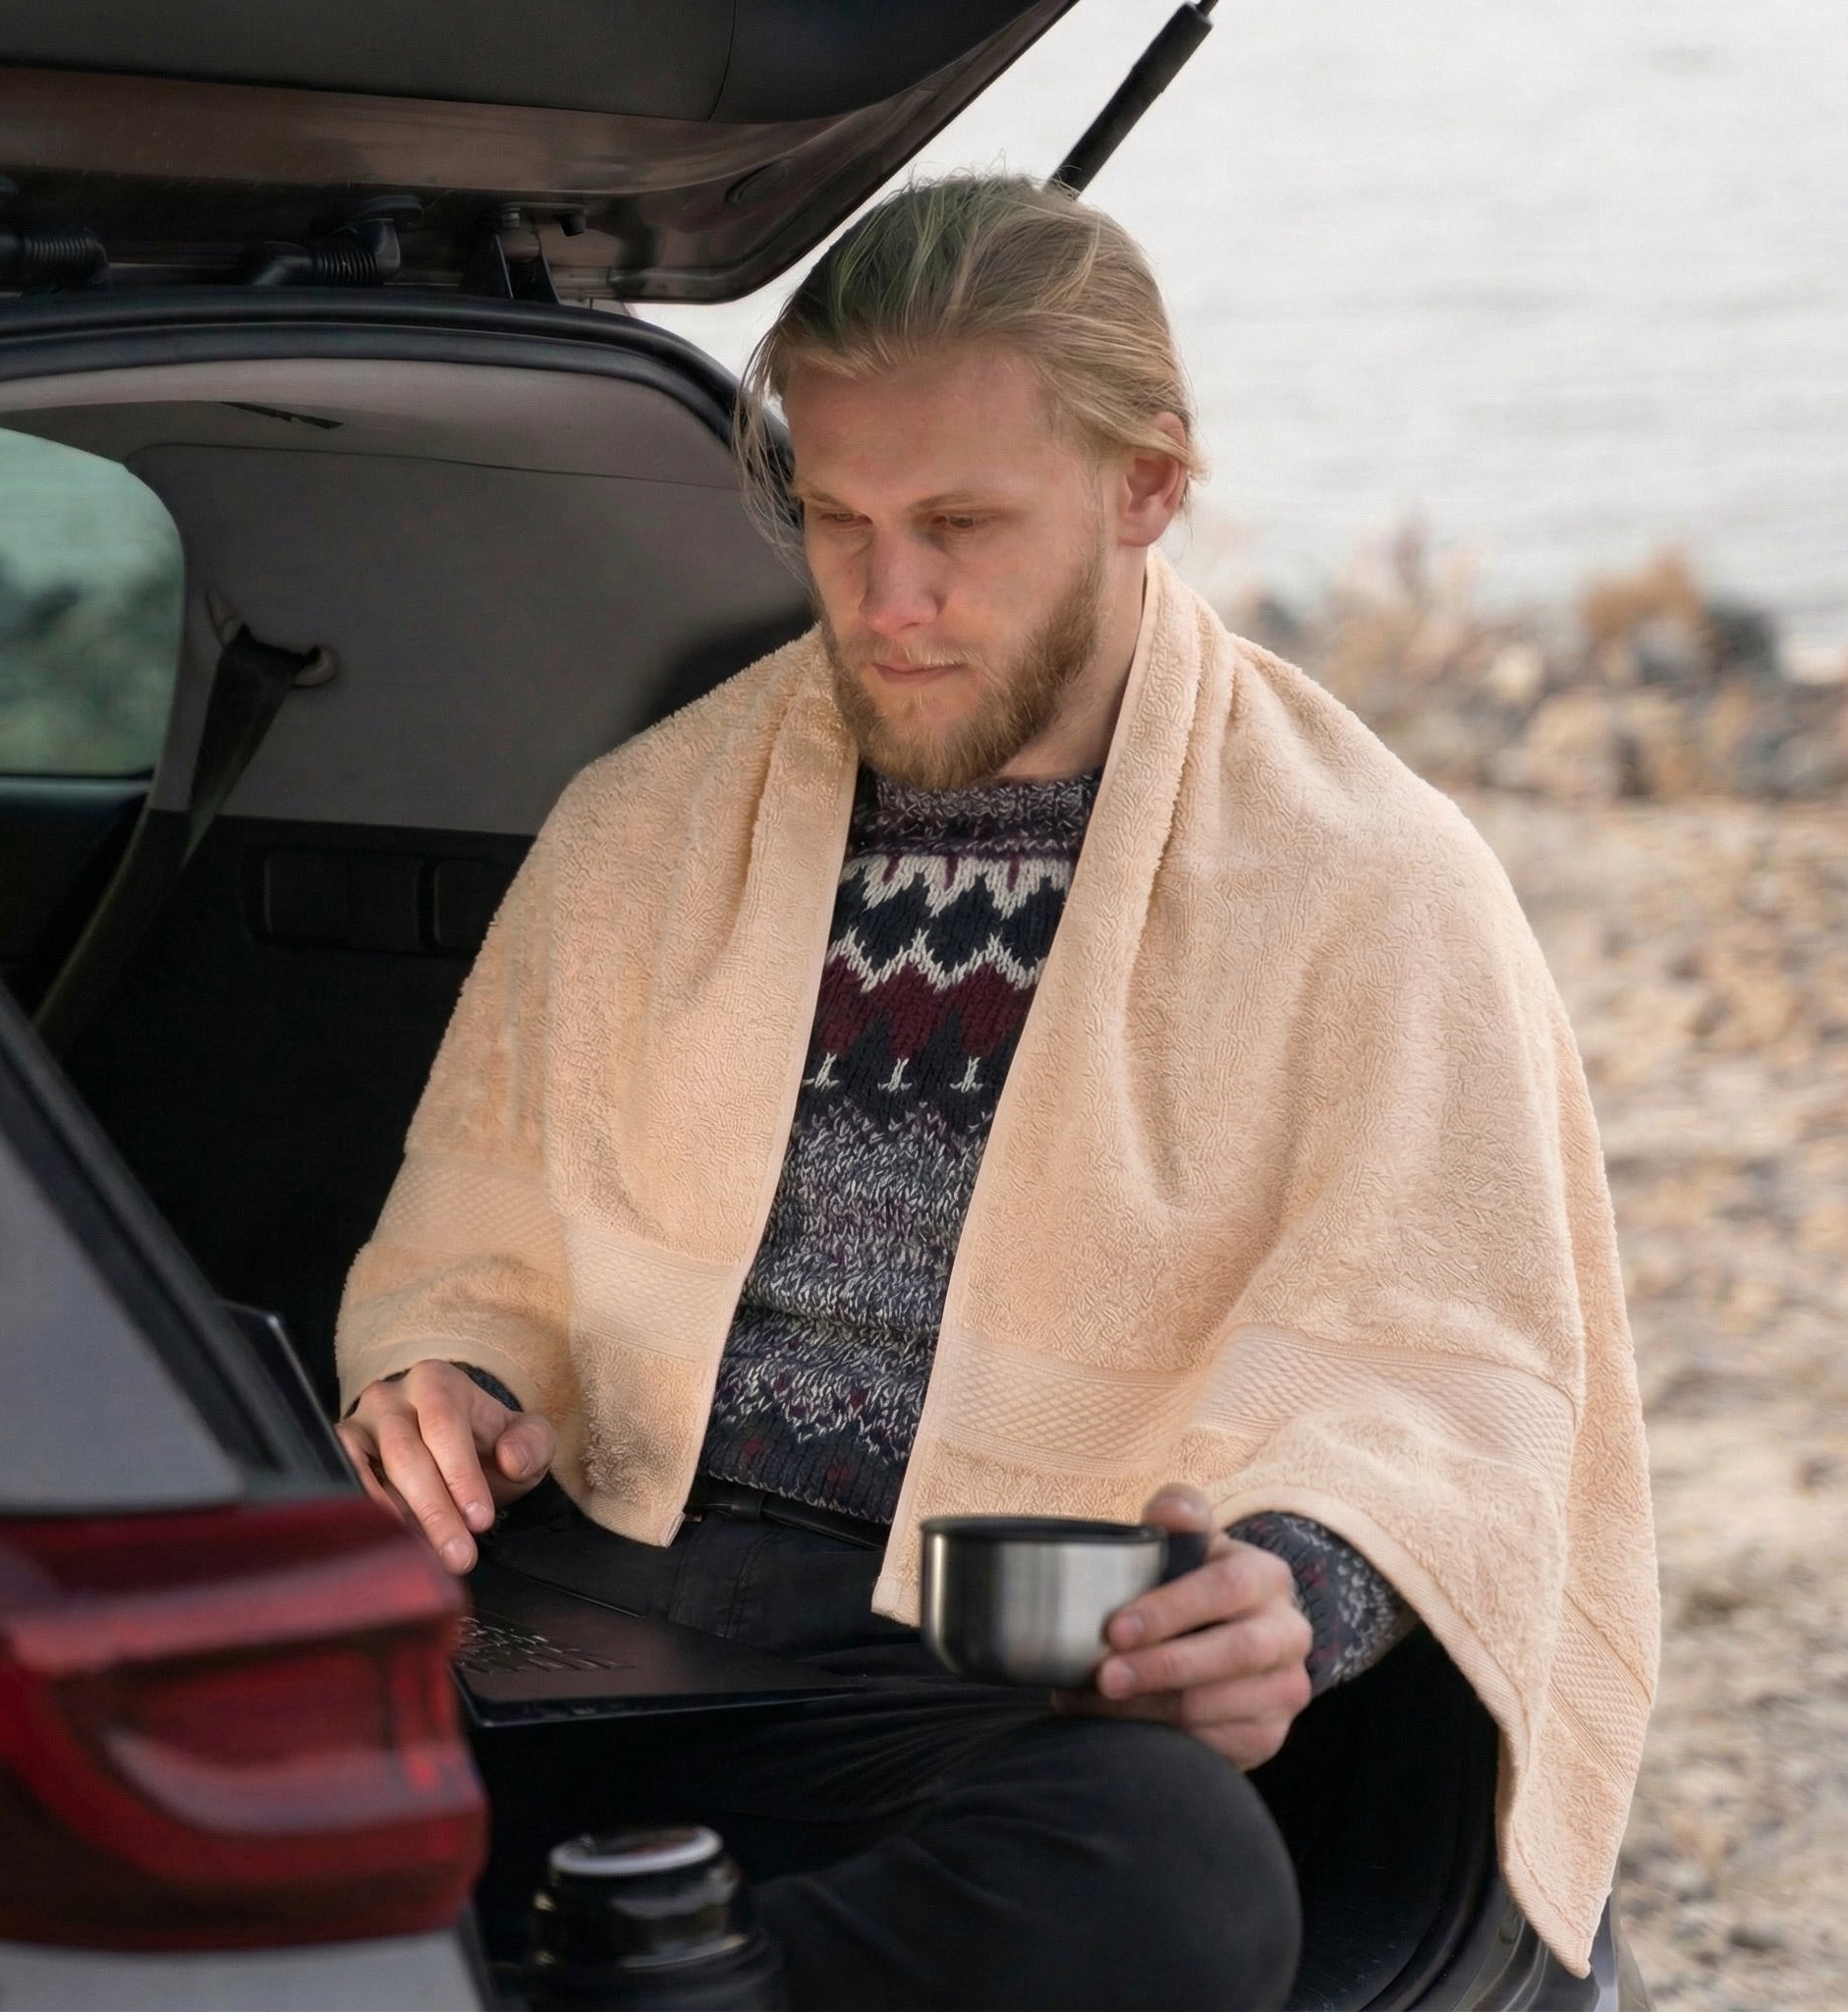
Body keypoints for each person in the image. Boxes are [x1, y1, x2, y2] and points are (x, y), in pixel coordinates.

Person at [335, 176, 1657, 2012]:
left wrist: (1287, 1595)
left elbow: (1436, 1375)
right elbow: (473, 1242)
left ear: (1147, 485)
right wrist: (450, 1378)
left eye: (960, 525)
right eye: (839, 521)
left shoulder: (1371, 880)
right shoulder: (643, 819)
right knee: (172, 1745)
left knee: (1169, 1867)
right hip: (595, 1618)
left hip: (982, 1691)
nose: (889, 602)